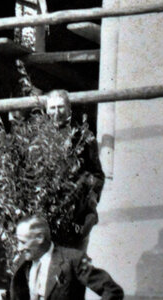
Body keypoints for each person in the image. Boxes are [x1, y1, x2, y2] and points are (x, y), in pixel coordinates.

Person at [7, 215, 123, 300]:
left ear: (40, 238)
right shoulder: (23, 262)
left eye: (23, 242)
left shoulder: (73, 259)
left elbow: (112, 291)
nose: (19, 248)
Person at [44, 89, 105, 249]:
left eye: (60, 107)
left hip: (76, 215)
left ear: (69, 109)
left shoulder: (83, 137)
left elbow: (97, 175)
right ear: (46, 110)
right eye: (52, 108)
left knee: (73, 262)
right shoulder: (40, 140)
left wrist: (90, 201)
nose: (56, 112)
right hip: (47, 214)